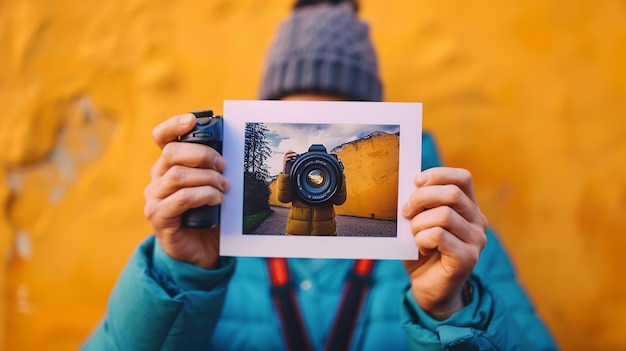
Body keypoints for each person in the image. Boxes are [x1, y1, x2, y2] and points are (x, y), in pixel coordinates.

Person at [83, 1, 559, 350]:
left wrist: (451, 309)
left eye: (338, 125)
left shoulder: (444, 232)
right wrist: (179, 272)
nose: (317, 157)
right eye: (292, 122)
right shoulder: (210, 230)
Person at [277, 146, 347, 236]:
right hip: (297, 234)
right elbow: (284, 198)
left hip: (325, 235)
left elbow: (340, 200)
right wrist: (285, 171)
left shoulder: (333, 172)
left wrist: (338, 173)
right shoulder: (298, 171)